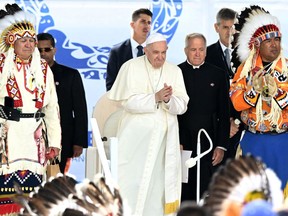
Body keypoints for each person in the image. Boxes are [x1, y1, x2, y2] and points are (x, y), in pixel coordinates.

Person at [108, 33, 189, 216]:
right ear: (145, 50)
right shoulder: (130, 67)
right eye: (155, 53)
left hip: (164, 143)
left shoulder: (174, 71)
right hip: (135, 142)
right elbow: (126, 102)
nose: (160, 57)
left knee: (158, 188)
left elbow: (182, 106)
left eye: (163, 53)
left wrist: (168, 101)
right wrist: (155, 97)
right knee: (131, 183)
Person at [0, 4, 61, 215]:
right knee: (6, 197)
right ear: (12, 42)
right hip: (7, 139)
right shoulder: (1, 66)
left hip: (34, 139)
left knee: (32, 198)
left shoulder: (43, 68)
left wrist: (54, 143)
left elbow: (52, 108)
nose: (28, 44)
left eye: (31, 40)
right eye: (23, 40)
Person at [229, 5, 288, 191]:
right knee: (252, 196)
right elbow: (236, 103)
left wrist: (278, 92)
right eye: (269, 40)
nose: (275, 44)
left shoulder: (286, 68)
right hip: (254, 141)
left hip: (283, 141)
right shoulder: (244, 70)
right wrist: (253, 91)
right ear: (257, 44)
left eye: (277, 39)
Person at [178, 33, 230, 201]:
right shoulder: (176, 72)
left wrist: (221, 145)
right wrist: (175, 141)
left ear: (206, 51)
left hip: (210, 141)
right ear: (186, 50)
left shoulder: (218, 74)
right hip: (183, 142)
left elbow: (224, 112)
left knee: (207, 191)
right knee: (184, 189)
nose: (197, 53)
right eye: (193, 49)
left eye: (201, 49)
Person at [37, 32, 88, 174]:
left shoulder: (70, 75)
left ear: (54, 50)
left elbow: (80, 110)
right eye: (39, 50)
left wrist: (79, 142)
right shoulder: (27, 75)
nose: (43, 53)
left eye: (47, 49)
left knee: (56, 180)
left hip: (63, 138)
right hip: (33, 137)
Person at [205, 8, 243, 160]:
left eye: (233, 27)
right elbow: (204, 96)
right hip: (214, 131)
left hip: (241, 129)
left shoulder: (247, 57)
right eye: (225, 27)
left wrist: (237, 122)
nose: (230, 32)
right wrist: (225, 124)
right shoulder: (205, 55)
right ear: (216, 27)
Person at [106, 8, 153, 91]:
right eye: (143, 21)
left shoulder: (155, 51)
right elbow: (111, 85)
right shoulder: (117, 51)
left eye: (149, 23)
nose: (147, 26)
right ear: (132, 25)